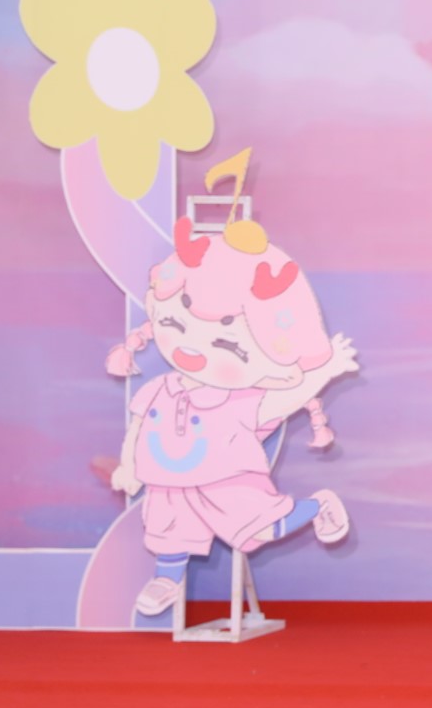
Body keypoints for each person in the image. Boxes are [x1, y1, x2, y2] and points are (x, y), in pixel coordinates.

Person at [106, 214, 359, 617]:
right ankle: (167, 578)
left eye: (228, 345)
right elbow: (138, 428)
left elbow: (286, 400)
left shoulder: (241, 401)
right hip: (168, 483)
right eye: (174, 324)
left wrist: (325, 371)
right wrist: (128, 467)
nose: (192, 350)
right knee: (169, 531)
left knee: (261, 526)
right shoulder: (159, 389)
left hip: (229, 483)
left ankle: (317, 506)